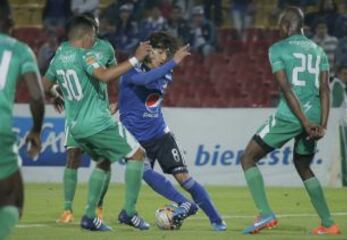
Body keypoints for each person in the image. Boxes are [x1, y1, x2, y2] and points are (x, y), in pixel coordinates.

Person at [42, 15, 151, 231]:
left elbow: (46, 84)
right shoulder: (86, 55)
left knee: (103, 159)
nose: (95, 37)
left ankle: (90, 216)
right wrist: (135, 59)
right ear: (86, 34)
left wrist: (56, 94)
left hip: (75, 125)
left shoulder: (61, 52)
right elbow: (105, 75)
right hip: (97, 122)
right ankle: (129, 212)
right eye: (93, 33)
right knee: (137, 153)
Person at [240, 7, 340, 235]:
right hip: (315, 117)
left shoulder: (277, 49)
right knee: (303, 165)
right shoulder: (319, 51)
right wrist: (322, 124)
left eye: (279, 24)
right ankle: (328, 223)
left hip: (292, 116)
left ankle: (265, 213)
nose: (277, 28)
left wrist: (303, 121)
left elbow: (285, 87)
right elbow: (325, 89)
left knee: (248, 158)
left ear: (286, 24)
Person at [118, 31, 227, 231]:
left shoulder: (165, 72)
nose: (164, 58)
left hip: (160, 134)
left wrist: (171, 63)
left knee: (185, 178)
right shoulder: (131, 69)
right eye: (160, 53)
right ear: (149, 51)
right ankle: (184, 203)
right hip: (134, 138)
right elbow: (139, 81)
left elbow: (146, 80)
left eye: (166, 54)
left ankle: (217, 220)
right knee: (143, 170)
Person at [54, 14, 118, 224]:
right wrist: (55, 91)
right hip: (75, 114)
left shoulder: (106, 48)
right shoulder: (65, 49)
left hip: (98, 113)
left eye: (94, 27)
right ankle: (67, 209)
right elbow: (55, 77)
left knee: (104, 160)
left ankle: (98, 206)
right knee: (72, 157)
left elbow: (115, 75)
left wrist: (116, 100)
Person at [0, 7, 45, 239]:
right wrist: (36, 131)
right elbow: (37, 97)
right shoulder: (19, 50)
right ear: (10, 22)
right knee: (13, 201)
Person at [331, 65, 347, 186]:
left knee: (344, 155)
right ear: (338, 74)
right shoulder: (338, 86)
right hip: (340, 125)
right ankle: (344, 181)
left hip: (341, 125)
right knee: (343, 156)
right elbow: (335, 107)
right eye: (344, 74)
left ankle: (343, 180)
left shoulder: (339, 86)